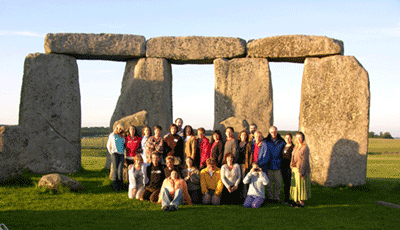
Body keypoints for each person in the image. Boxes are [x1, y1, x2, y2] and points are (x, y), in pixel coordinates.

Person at [258, 126, 286, 203]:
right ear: (269, 132)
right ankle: (270, 198)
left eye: (275, 132)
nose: (274, 133)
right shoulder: (265, 142)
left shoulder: (281, 141)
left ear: (277, 132)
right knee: (269, 184)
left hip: (278, 165)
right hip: (269, 166)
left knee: (278, 183)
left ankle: (276, 198)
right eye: (272, 132)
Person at [290, 132, 311, 208]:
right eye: (297, 137)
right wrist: (291, 166)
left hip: (301, 170)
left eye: (300, 137)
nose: (298, 139)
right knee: (295, 186)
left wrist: (301, 171)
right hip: (294, 169)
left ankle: (301, 202)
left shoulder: (305, 147)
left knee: (301, 186)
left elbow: (305, 160)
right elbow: (292, 157)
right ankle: (296, 201)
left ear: (303, 138)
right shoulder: (295, 147)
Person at [107, 124, 126, 192]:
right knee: (115, 170)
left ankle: (121, 186)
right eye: (119, 128)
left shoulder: (123, 136)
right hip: (115, 154)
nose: (120, 130)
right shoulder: (112, 135)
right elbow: (108, 145)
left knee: (120, 170)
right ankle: (115, 187)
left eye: (122, 129)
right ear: (117, 128)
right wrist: (111, 153)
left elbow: (124, 146)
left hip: (121, 154)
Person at [282, 133, 295, 204]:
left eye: (289, 138)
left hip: (290, 167)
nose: (288, 139)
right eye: (286, 138)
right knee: (285, 183)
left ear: (291, 138)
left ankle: (291, 198)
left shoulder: (293, 147)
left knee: (290, 183)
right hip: (284, 167)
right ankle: (286, 198)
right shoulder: (284, 146)